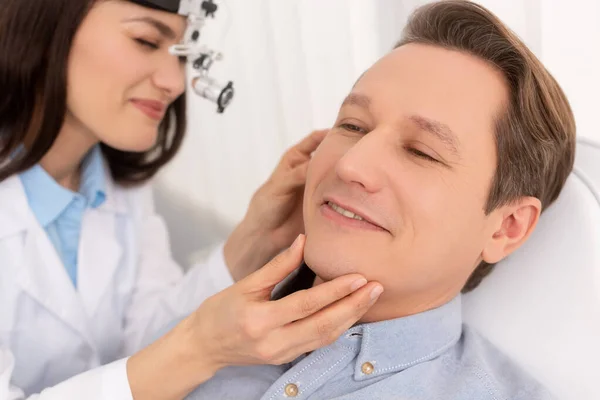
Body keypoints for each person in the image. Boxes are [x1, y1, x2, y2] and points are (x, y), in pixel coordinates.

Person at [186, 1, 575, 399]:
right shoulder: (202, 327)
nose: (351, 165)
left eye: (421, 152)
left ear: (507, 228)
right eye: (352, 126)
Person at [0, 1, 384, 399]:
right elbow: (173, 352)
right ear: (44, 23)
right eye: (146, 41)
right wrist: (201, 349)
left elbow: (144, 339)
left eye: (183, 54)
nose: (174, 82)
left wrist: (256, 239)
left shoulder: (116, 188)